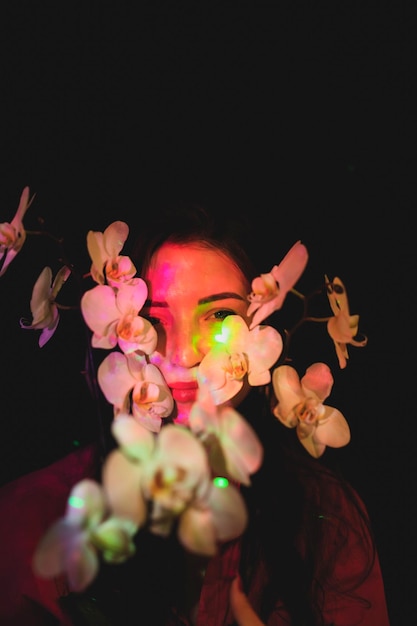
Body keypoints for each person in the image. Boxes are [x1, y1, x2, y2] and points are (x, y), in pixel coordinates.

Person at [0, 202, 390, 625]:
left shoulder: (327, 517)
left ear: (263, 327)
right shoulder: (33, 517)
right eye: (153, 318)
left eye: (220, 317)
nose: (183, 354)